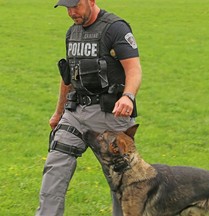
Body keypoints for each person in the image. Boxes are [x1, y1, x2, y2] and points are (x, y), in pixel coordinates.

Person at [35, 0, 142, 215]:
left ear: (91, 1)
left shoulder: (115, 28)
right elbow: (68, 78)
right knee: (55, 167)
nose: (72, 12)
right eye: (67, 8)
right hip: (75, 114)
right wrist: (58, 112)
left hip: (110, 116)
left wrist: (128, 97)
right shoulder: (72, 33)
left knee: (122, 181)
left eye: (76, 6)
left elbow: (134, 68)